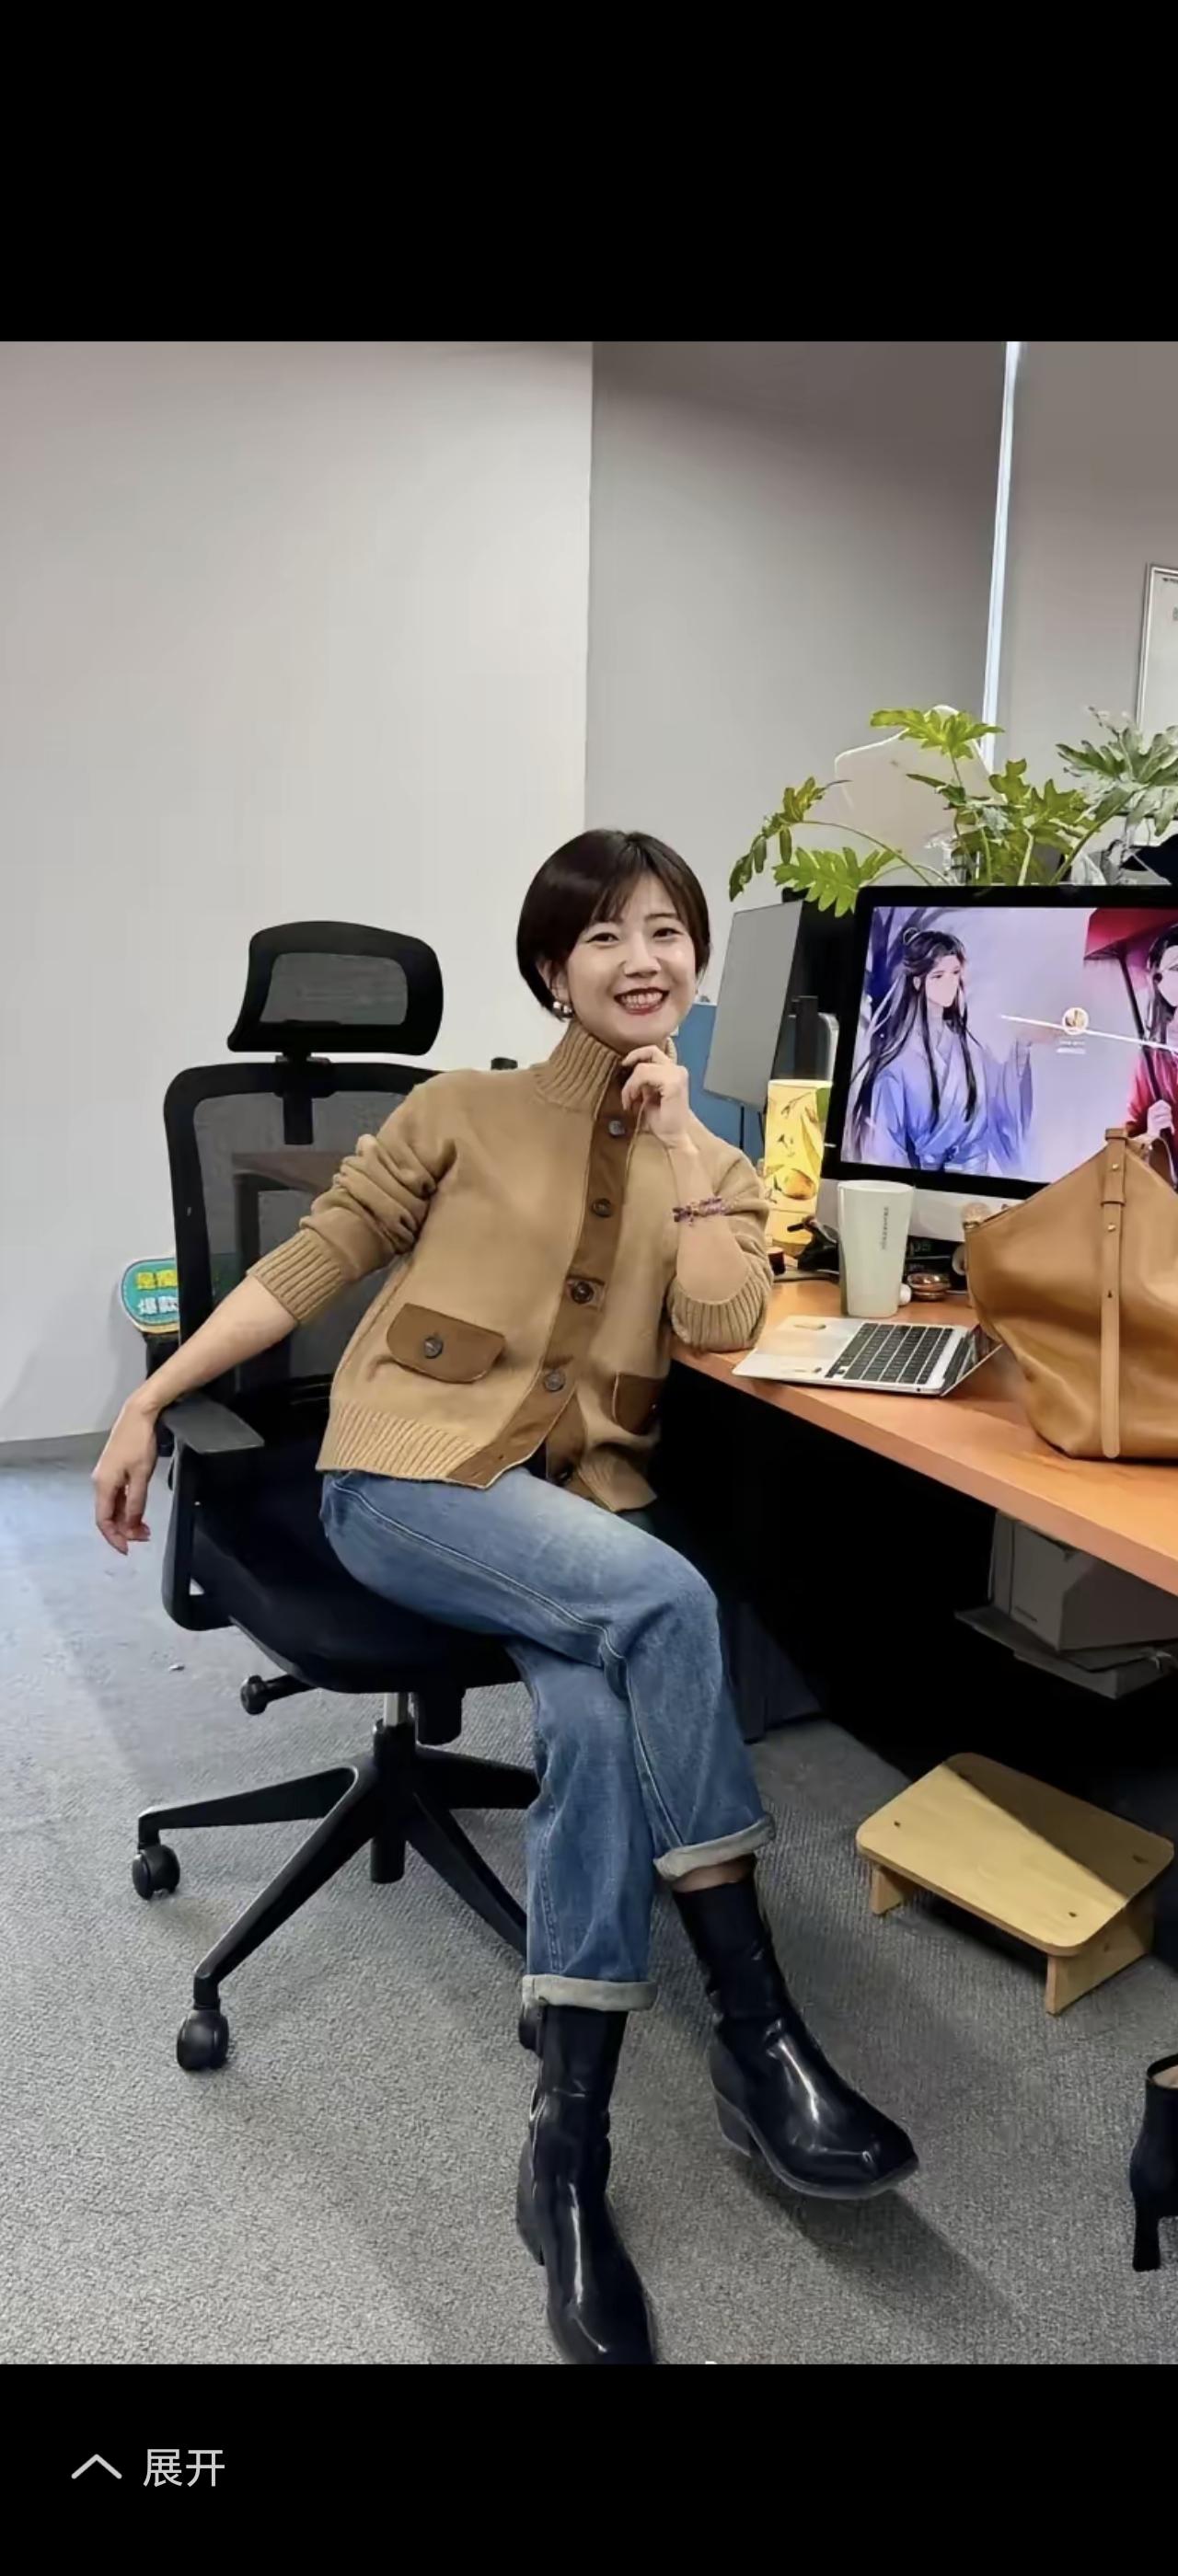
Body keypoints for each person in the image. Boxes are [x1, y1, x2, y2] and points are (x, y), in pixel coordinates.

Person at [93, 829, 917, 2368]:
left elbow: (722, 1320)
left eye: (665, 931)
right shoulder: (456, 1112)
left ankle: (566, 2151)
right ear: (553, 970)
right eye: (602, 935)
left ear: (695, 961)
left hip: (568, 1511)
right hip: (404, 1483)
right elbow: (307, 1267)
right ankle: (759, 2036)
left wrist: (684, 1144)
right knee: (669, 1606)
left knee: (595, 1724)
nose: (640, 958)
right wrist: (149, 1402)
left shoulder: (719, 1164)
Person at [851, 926, 1037, 1177]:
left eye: (955, 973)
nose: (950, 983)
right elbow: (887, 1150)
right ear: (918, 982)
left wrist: (1022, 1045)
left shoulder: (970, 1050)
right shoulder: (897, 1066)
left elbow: (1000, 1103)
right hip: (919, 1184)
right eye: (938, 976)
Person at [1126, 927, 1178, 1187]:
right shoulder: (1150, 1061)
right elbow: (1127, 1145)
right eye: (1177, 968)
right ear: (1158, 980)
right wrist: (1151, 1131)